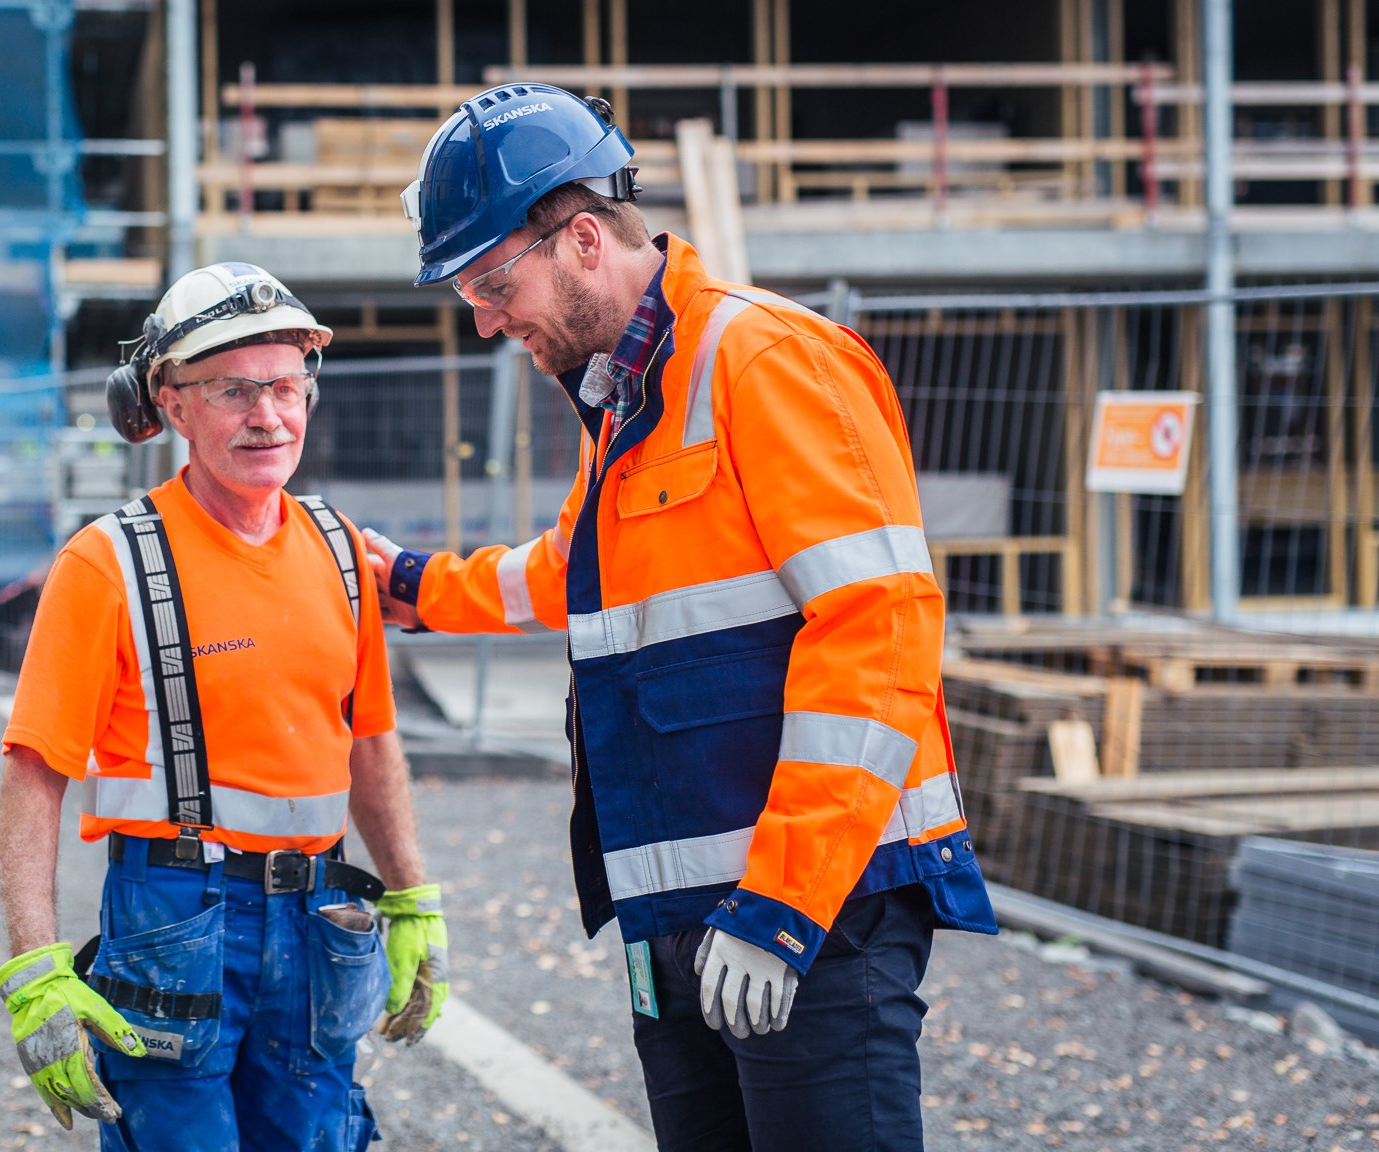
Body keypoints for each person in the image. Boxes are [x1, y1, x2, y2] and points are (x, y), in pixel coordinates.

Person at [372, 85, 998, 1152]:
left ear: (578, 239)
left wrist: (782, 905)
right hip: (680, 915)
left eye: (489, 283)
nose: (481, 319)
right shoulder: (626, 397)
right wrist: (411, 585)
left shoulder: (765, 361)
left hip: (813, 913)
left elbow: (876, 631)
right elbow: (575, 572)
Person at [0, 262, 449, 1152]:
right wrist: (34, 971)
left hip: (320, 915)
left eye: (283, 385)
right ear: (169, 402)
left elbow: (369, 741)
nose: (266, 416)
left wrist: (411, 893)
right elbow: (34, 769)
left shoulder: (341, 549)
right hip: (176, 916)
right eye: (233, 390)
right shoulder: (106, 563)